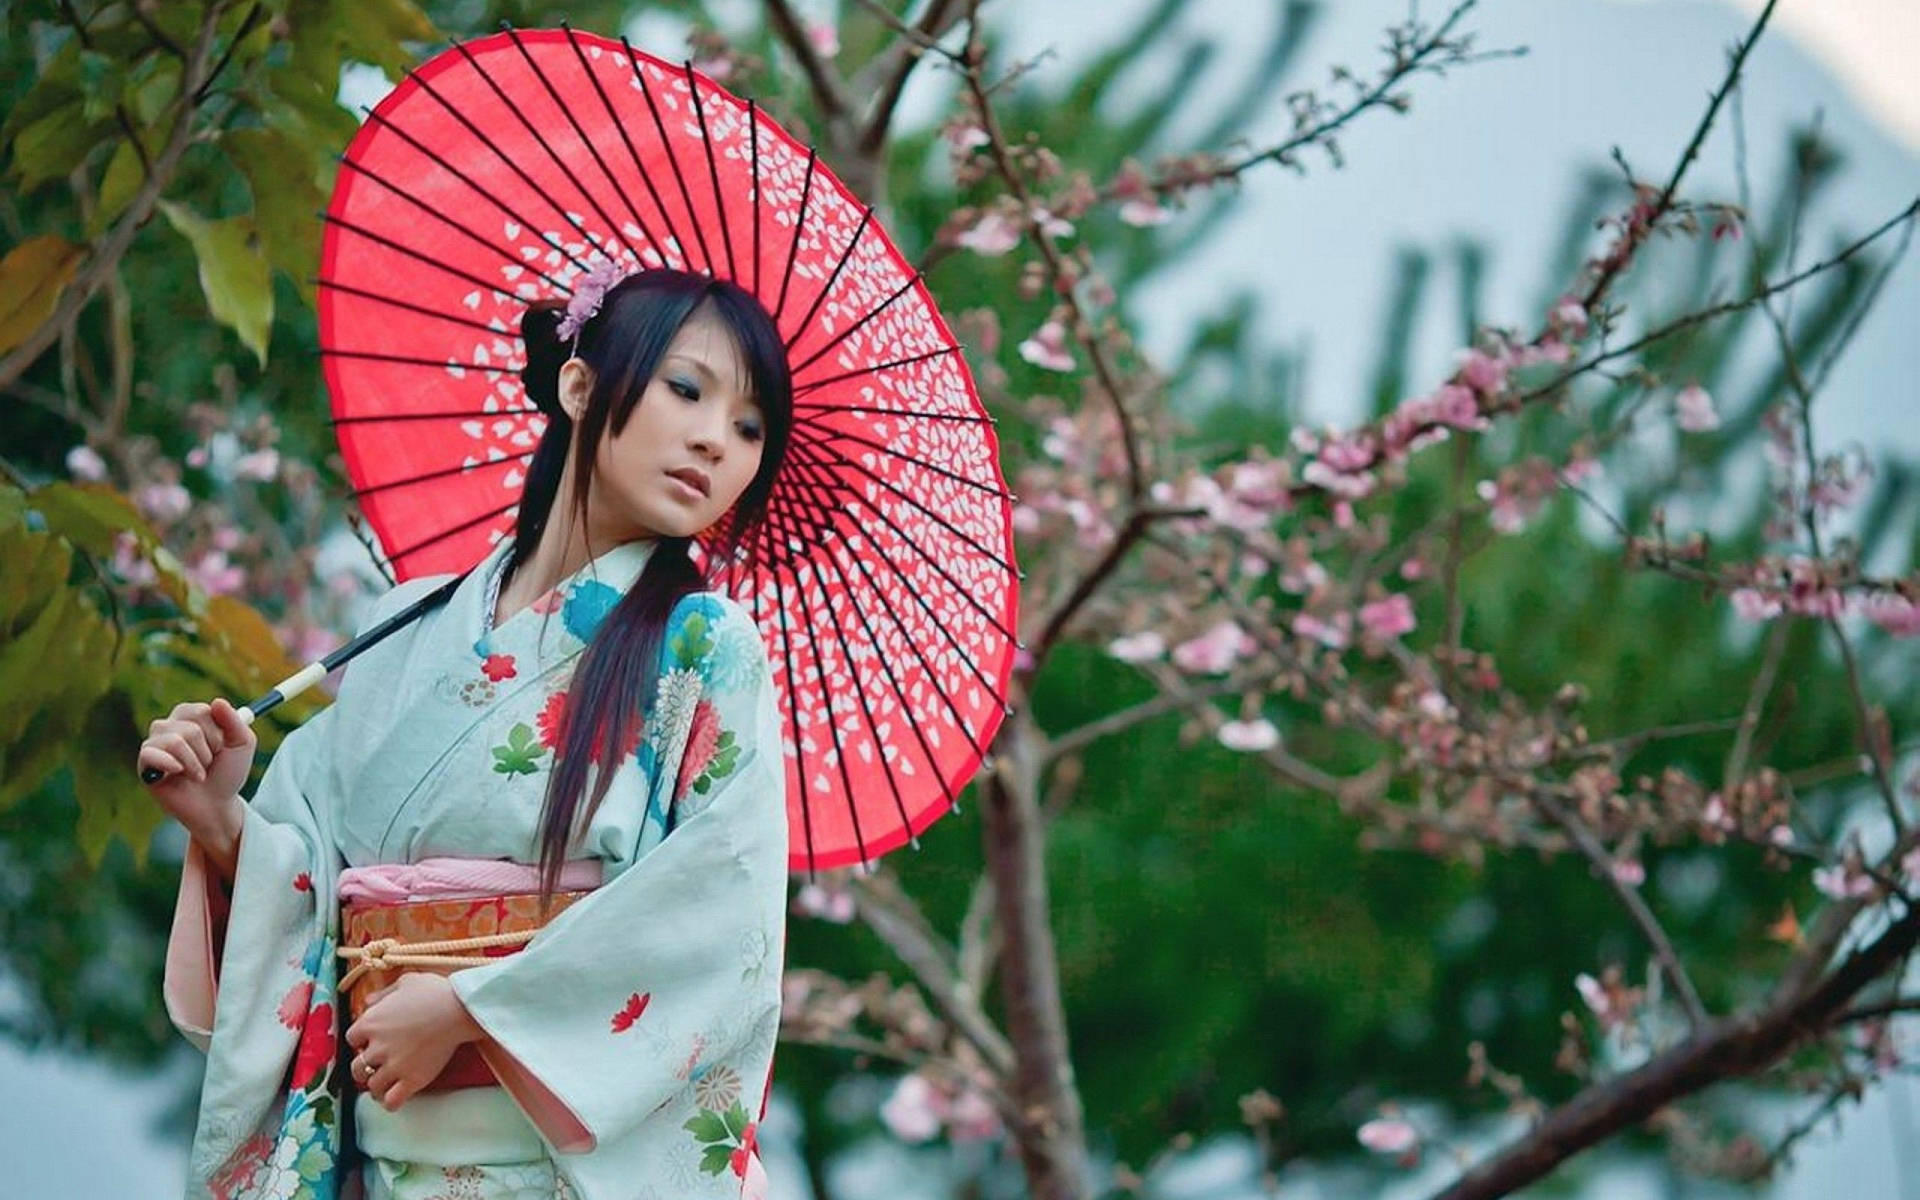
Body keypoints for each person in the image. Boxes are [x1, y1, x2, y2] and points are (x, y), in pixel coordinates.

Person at [140, 268, 794, 1199]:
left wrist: (468, 1009)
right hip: (385, 1149)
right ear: (579, 385)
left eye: (748, 428)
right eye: (686, 389)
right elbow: (315, 875)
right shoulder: (409, 623)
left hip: (556, 1165)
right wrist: (220, 822)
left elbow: (718, 915)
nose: (712, 441)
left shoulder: (704, 646)